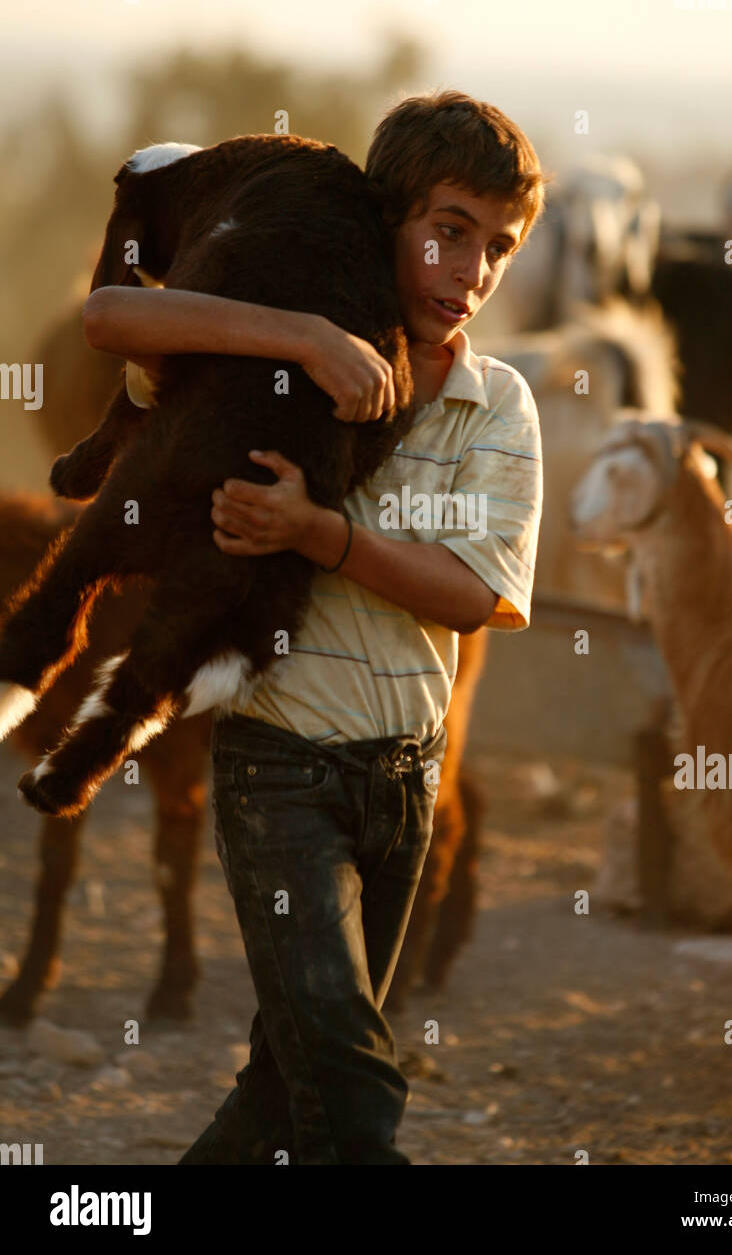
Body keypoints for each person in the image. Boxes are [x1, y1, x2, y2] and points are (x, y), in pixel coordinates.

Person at [83, 90, 546, 1164]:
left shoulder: (500, 405)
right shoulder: (272, 356)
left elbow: (478, 595)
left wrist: (316, 533)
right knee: (347, 1077)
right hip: (278, 771)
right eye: (445, 232)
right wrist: (301, 333)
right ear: (379, 218)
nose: (469, 272)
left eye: (497, 249)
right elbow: (113, 315)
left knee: (285, 1081)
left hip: (404, 783)